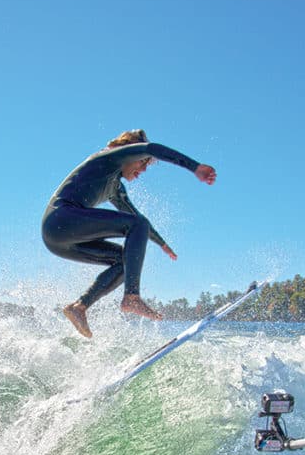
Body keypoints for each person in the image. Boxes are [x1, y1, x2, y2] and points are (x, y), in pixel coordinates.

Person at [42, 129, 217, 338]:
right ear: (130, 154)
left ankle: (79, 307)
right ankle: (132, 296)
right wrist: (194, 167)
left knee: (124, 261)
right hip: (61, 219)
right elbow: (152, 149)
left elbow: (136, 218)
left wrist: (161, 243)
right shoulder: (109, 158)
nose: (142, 170)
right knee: (137, 225)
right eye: (142, 163)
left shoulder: (116, 188)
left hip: (60, 241)